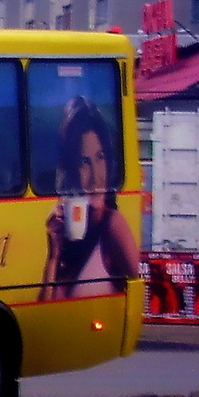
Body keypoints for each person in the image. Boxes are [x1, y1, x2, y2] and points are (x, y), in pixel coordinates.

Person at [39, 96, 139, 301]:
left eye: (100, 157)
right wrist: (53, 256)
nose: (96, 176)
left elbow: (138, 292)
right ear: (71, 169)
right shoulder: (66, 232)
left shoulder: (112, 225)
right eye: (84, 161)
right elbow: (43, 313)